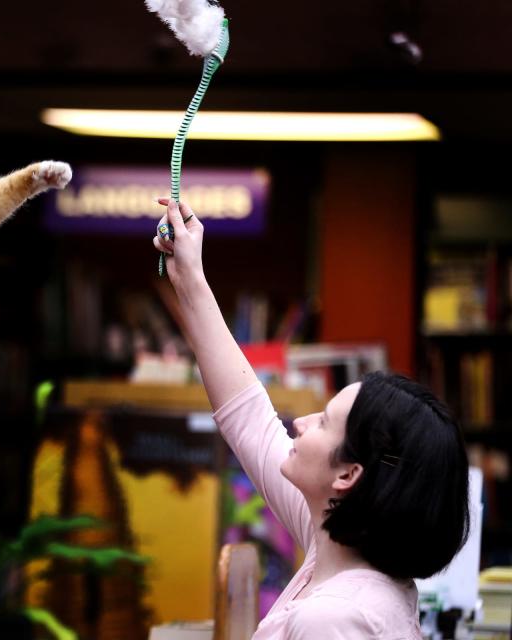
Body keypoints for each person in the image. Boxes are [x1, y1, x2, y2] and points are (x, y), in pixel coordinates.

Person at [153, 198, 470, 639]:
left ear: (348, 475)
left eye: (324, 423)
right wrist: (190, 278)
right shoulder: (340, 553)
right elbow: (248, 415)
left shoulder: (333, 620)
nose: (300, 421)